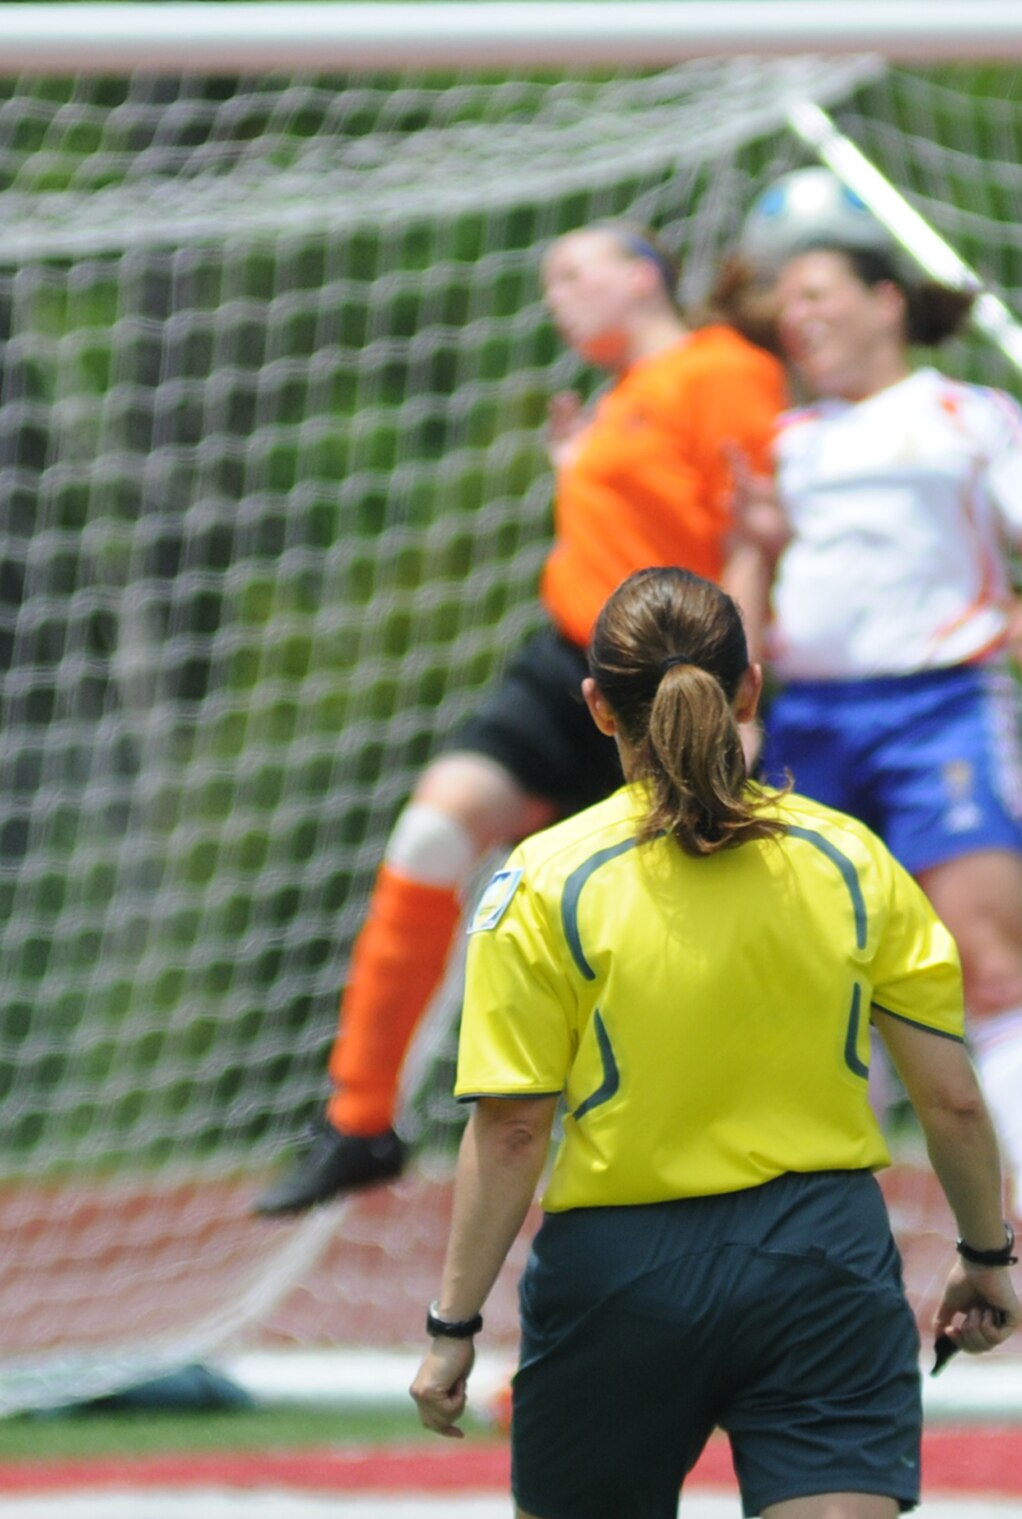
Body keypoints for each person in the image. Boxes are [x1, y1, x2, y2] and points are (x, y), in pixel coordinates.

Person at [410, 565, 1022, 1519]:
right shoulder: (847, 859)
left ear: (593, 711)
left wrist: (449, 1330)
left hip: (617, 1273)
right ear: (752, 690)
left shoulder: (542, 883)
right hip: (819, 1255)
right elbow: (951, 1098)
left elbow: (510, 1131)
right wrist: (984, 1256)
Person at [256, 224, 786, 1215]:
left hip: (673, 677)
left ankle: (604, 1289)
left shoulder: (722, 370)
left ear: (642, 275)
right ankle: (360, 1117)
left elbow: (748, 530)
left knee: (628, 980)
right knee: (431, 827)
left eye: (572, 272)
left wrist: (732, 691)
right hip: (566, 661)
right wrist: (573, 474)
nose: (557, 295)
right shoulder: (613, 403)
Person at [728, 194, 1022, 1287]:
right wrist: (737, 700)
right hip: (812, 718)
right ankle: (815, 1214)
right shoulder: (781, 440)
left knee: (984, 954)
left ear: (884, 298)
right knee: (811, 983)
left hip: (940, 704)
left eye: (816, 292)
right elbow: (749, 576)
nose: (797, 315)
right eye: (782, 302)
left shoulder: (969, 412)